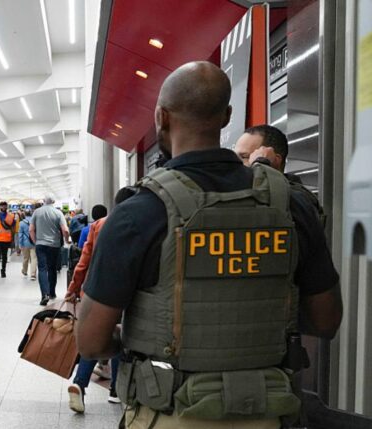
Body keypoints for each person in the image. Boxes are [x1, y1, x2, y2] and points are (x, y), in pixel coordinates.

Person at [76, 61, 342, 429]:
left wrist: (139, 338)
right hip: (270, 413)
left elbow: (90, 341)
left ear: (161, 118)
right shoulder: (289, 204)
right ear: (227, 116)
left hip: (170, 414)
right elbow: (326, 321)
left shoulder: (137, 212)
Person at [64, 202, 120, 413]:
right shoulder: (135, 222)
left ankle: (79, 384)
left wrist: (73, 287)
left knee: (91, 337)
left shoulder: (97, 226)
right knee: (119, 336)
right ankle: (115, 391)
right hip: (122, 290)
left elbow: (84, 261)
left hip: (94, 289)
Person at [234, 124, 326, 224]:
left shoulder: (297, 201)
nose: (236, 163)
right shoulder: (240, 192)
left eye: (244, 157)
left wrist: (261, 164)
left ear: (274, 159)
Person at [30, 196, 70, 305]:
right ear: (53, 202)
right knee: (52, 268)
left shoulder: (36, 212)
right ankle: (52, 292)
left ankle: (44, 294)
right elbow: (65, 230)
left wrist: (35, 241)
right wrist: (66, 240)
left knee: (42, 268)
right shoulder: (58, 213)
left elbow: (31, 229)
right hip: (54, 245)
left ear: (43, 202)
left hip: (40, 244)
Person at [17, 210, 37, 280]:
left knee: (26, 258)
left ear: (25, 215)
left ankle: (25, 271)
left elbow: (20, 234)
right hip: (34, 242)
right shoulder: (35, 222)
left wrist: (20, 244)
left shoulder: (21, 223)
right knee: (34, 258)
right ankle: (33, 274)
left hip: (25, 243)